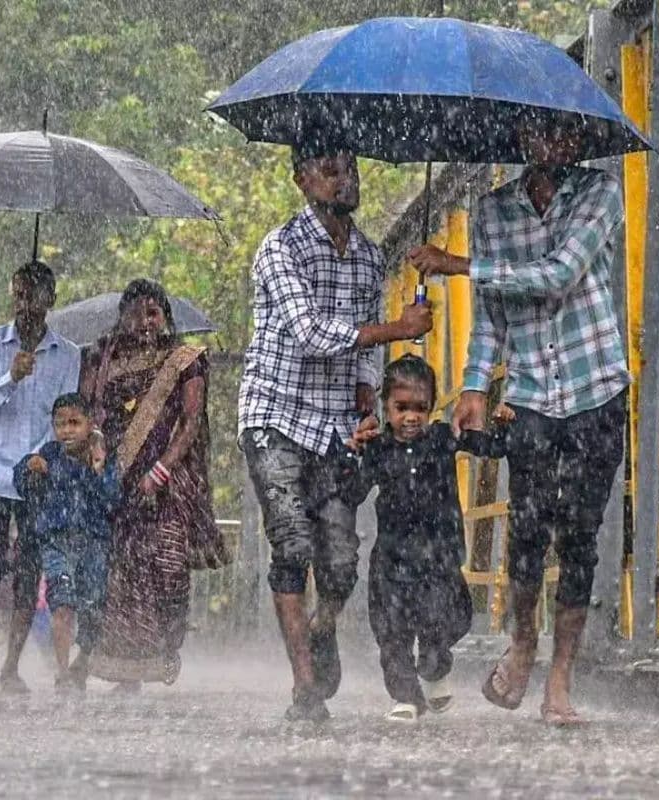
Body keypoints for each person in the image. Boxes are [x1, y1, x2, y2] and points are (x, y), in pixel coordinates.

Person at [408, 118, 629, 726]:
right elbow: (492, 318)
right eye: (537, 131)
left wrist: (459, 264)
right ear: (522, 138)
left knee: (579, 540)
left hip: (595, 388)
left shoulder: (601, 194)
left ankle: (561, 680)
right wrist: (476, 384)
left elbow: (559, 273)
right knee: (527, 535)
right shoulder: (493, 210)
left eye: (563, 133)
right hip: (529, 393)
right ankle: (525, 642)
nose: (551, 142)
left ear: (580, 141)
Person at [238, 142, 433, 723]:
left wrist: (369, 386)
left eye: (352, 167)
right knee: (293, 545)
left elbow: (363, 356)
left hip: (332, 424)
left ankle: (321, 629)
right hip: (274, 415)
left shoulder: (370, 257)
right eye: (330, 170)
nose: (345, 179)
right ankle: (305, 688)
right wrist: (399, 327)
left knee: (343, 561)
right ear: (302, 179)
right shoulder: (280, 249)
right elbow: (312, 333)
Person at [340, 355, 506, 724]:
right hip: (393, 561)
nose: (411, 418)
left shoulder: (442, 439)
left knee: (446, 619)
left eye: (420, 408)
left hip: (440, 557)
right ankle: (405, 697)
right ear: (385, 407)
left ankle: (434, 667)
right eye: (401, 408)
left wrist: (502, 424)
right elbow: (351, 492)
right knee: (392, 633)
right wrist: (351, 452)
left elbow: (489, 447)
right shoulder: (378, 448)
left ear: (432, 409)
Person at [81, 279, 225, 689]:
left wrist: (159, 472)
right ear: (122, 317)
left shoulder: (185, 359)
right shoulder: (104, 357)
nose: (144, 321)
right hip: (118, 481)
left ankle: (169, 644)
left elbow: (191, 422)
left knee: (168, 567)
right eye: (135, 313)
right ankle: (129, 673)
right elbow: (90, 411)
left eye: (153, 312)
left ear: (165, 316)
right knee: (125, 575)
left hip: (169, 482)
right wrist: (98, 454)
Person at [0, 261, 80, 694]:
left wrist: (42, 457)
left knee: (29, 570)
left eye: (32, 295)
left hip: (38, 477)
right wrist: (10, 377)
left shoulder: (68, 354)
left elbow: (66, 416)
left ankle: (12, 665)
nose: (23, 305)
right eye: (17, 295)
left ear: (50, 299)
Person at [13, 393, 121, 692]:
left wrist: (98, 471)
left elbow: (113, 500)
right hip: (56, 543)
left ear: (90, 424)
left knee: (94, 605)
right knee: (61, 604)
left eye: (75, 423)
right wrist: (28, 468)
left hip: (94, 544)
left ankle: (83, 659)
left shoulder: (102, 459)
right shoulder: (48, 454)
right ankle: (62, 673)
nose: (67, 431)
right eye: (60, 424)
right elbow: (20, 482)